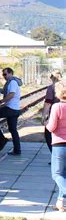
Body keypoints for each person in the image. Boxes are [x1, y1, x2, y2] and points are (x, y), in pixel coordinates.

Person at [0, 68, 23, 155]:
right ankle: (17, 150)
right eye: (3, 75)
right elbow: (6, 92)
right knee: (13, 130)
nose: (4, 76)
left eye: (5, 74)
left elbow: (11, 94)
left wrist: (1, 101)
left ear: (10, 73)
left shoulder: (12, 82)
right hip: (15, 109)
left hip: (11, 109)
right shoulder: (10, 82)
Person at [46, 79, 66, 212]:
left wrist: (46, 124)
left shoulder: (57, 107)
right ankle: (60, 203)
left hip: (59, 144)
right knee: (64, 174)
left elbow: (52, 127)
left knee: (57, 174)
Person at [43, 71, 62, 153]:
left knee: (48, 133)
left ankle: (55, 155)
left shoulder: (51, 88)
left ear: (51, 78)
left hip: (55, 113)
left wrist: (44, 117)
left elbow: (48, 103)